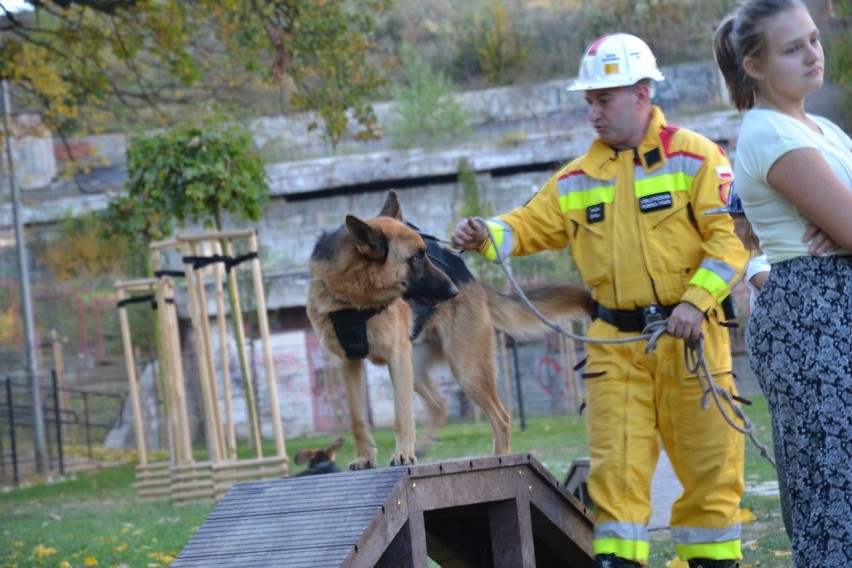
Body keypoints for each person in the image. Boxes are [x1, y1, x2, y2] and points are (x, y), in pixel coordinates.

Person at [452, 33, 749, 568]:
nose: (592, 113)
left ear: (640, 94)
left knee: (710, 465)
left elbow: (729, 241)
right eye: (588, 101)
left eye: (602, 100)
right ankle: (617, 560)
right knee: (617, 469)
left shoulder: (697, 157)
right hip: (615, 343)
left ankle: (712, 561)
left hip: (691, 339)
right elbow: (526, 224)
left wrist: (696, 300)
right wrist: (486, 232)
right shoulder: (576, 178)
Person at [713, 2, 852, 566]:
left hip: (834, 303)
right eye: (792, 48)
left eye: (814, 40)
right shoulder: (769, 132)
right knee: (835, 502)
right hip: (813, 319)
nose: (812, 54)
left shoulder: (823, 129)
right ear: (755, 65)